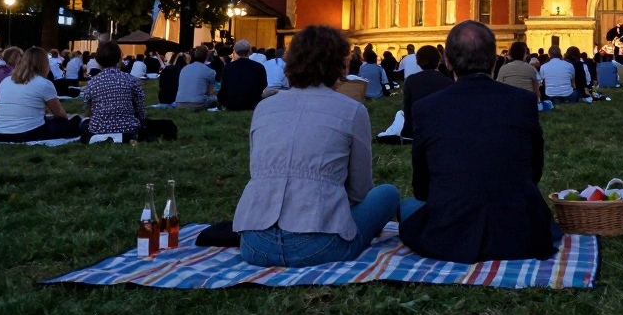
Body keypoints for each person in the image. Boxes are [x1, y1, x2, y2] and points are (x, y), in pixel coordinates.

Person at [233, 25, 400, 267]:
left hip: (254, 243)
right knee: (388, 193)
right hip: (320, 245)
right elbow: (360, 191)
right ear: (340, 65)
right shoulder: (352, 110)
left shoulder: (264, 107)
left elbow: (256, 171)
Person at [401, 20, 561, 263]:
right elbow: (533, 170)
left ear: (447, 62)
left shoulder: (427, 108)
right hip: (518, 232)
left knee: (407, 208)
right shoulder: (523, 102)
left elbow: (421, 187)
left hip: (450, 233)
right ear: (495, 60)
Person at [0, 47, 83, 142]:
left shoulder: (5, 81)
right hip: (28, 133)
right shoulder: (44, 83)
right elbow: (59, 113)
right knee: (72, 124)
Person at [81, 41, 146, 141]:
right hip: (128, 129)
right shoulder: (130, 80)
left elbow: (88, 109)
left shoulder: (92, 82)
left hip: (98, 130)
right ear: (119, 57)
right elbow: (139, 106)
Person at [400, 45, 454, 140]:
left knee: (399, 115)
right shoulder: (448, 82)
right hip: (441, 129)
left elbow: (407, 109)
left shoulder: (410, 81)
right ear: (438, 61)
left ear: (418, 62)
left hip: (416, 130)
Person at [219, 40, 268, 111]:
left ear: (235, 51)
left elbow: (224, 86)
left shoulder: (228, 67)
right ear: (249, 51)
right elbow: (263, 84)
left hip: (232, 104)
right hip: (253, 103)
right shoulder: (259, 67)